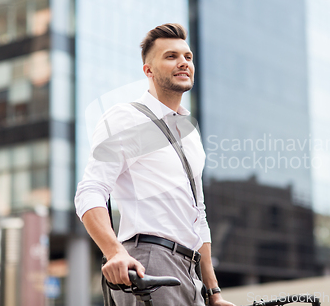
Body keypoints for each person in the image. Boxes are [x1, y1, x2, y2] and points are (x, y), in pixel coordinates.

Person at [75, 23, 234, 306]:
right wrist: (115, 253)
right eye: (171, 56)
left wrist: (213, 292)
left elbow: (199, 215)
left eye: (188, 57)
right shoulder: (125, 118)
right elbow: (90, 191)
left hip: (190, 270)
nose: (183, 62)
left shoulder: (190, 133)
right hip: (149, 260)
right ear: (148, 70)